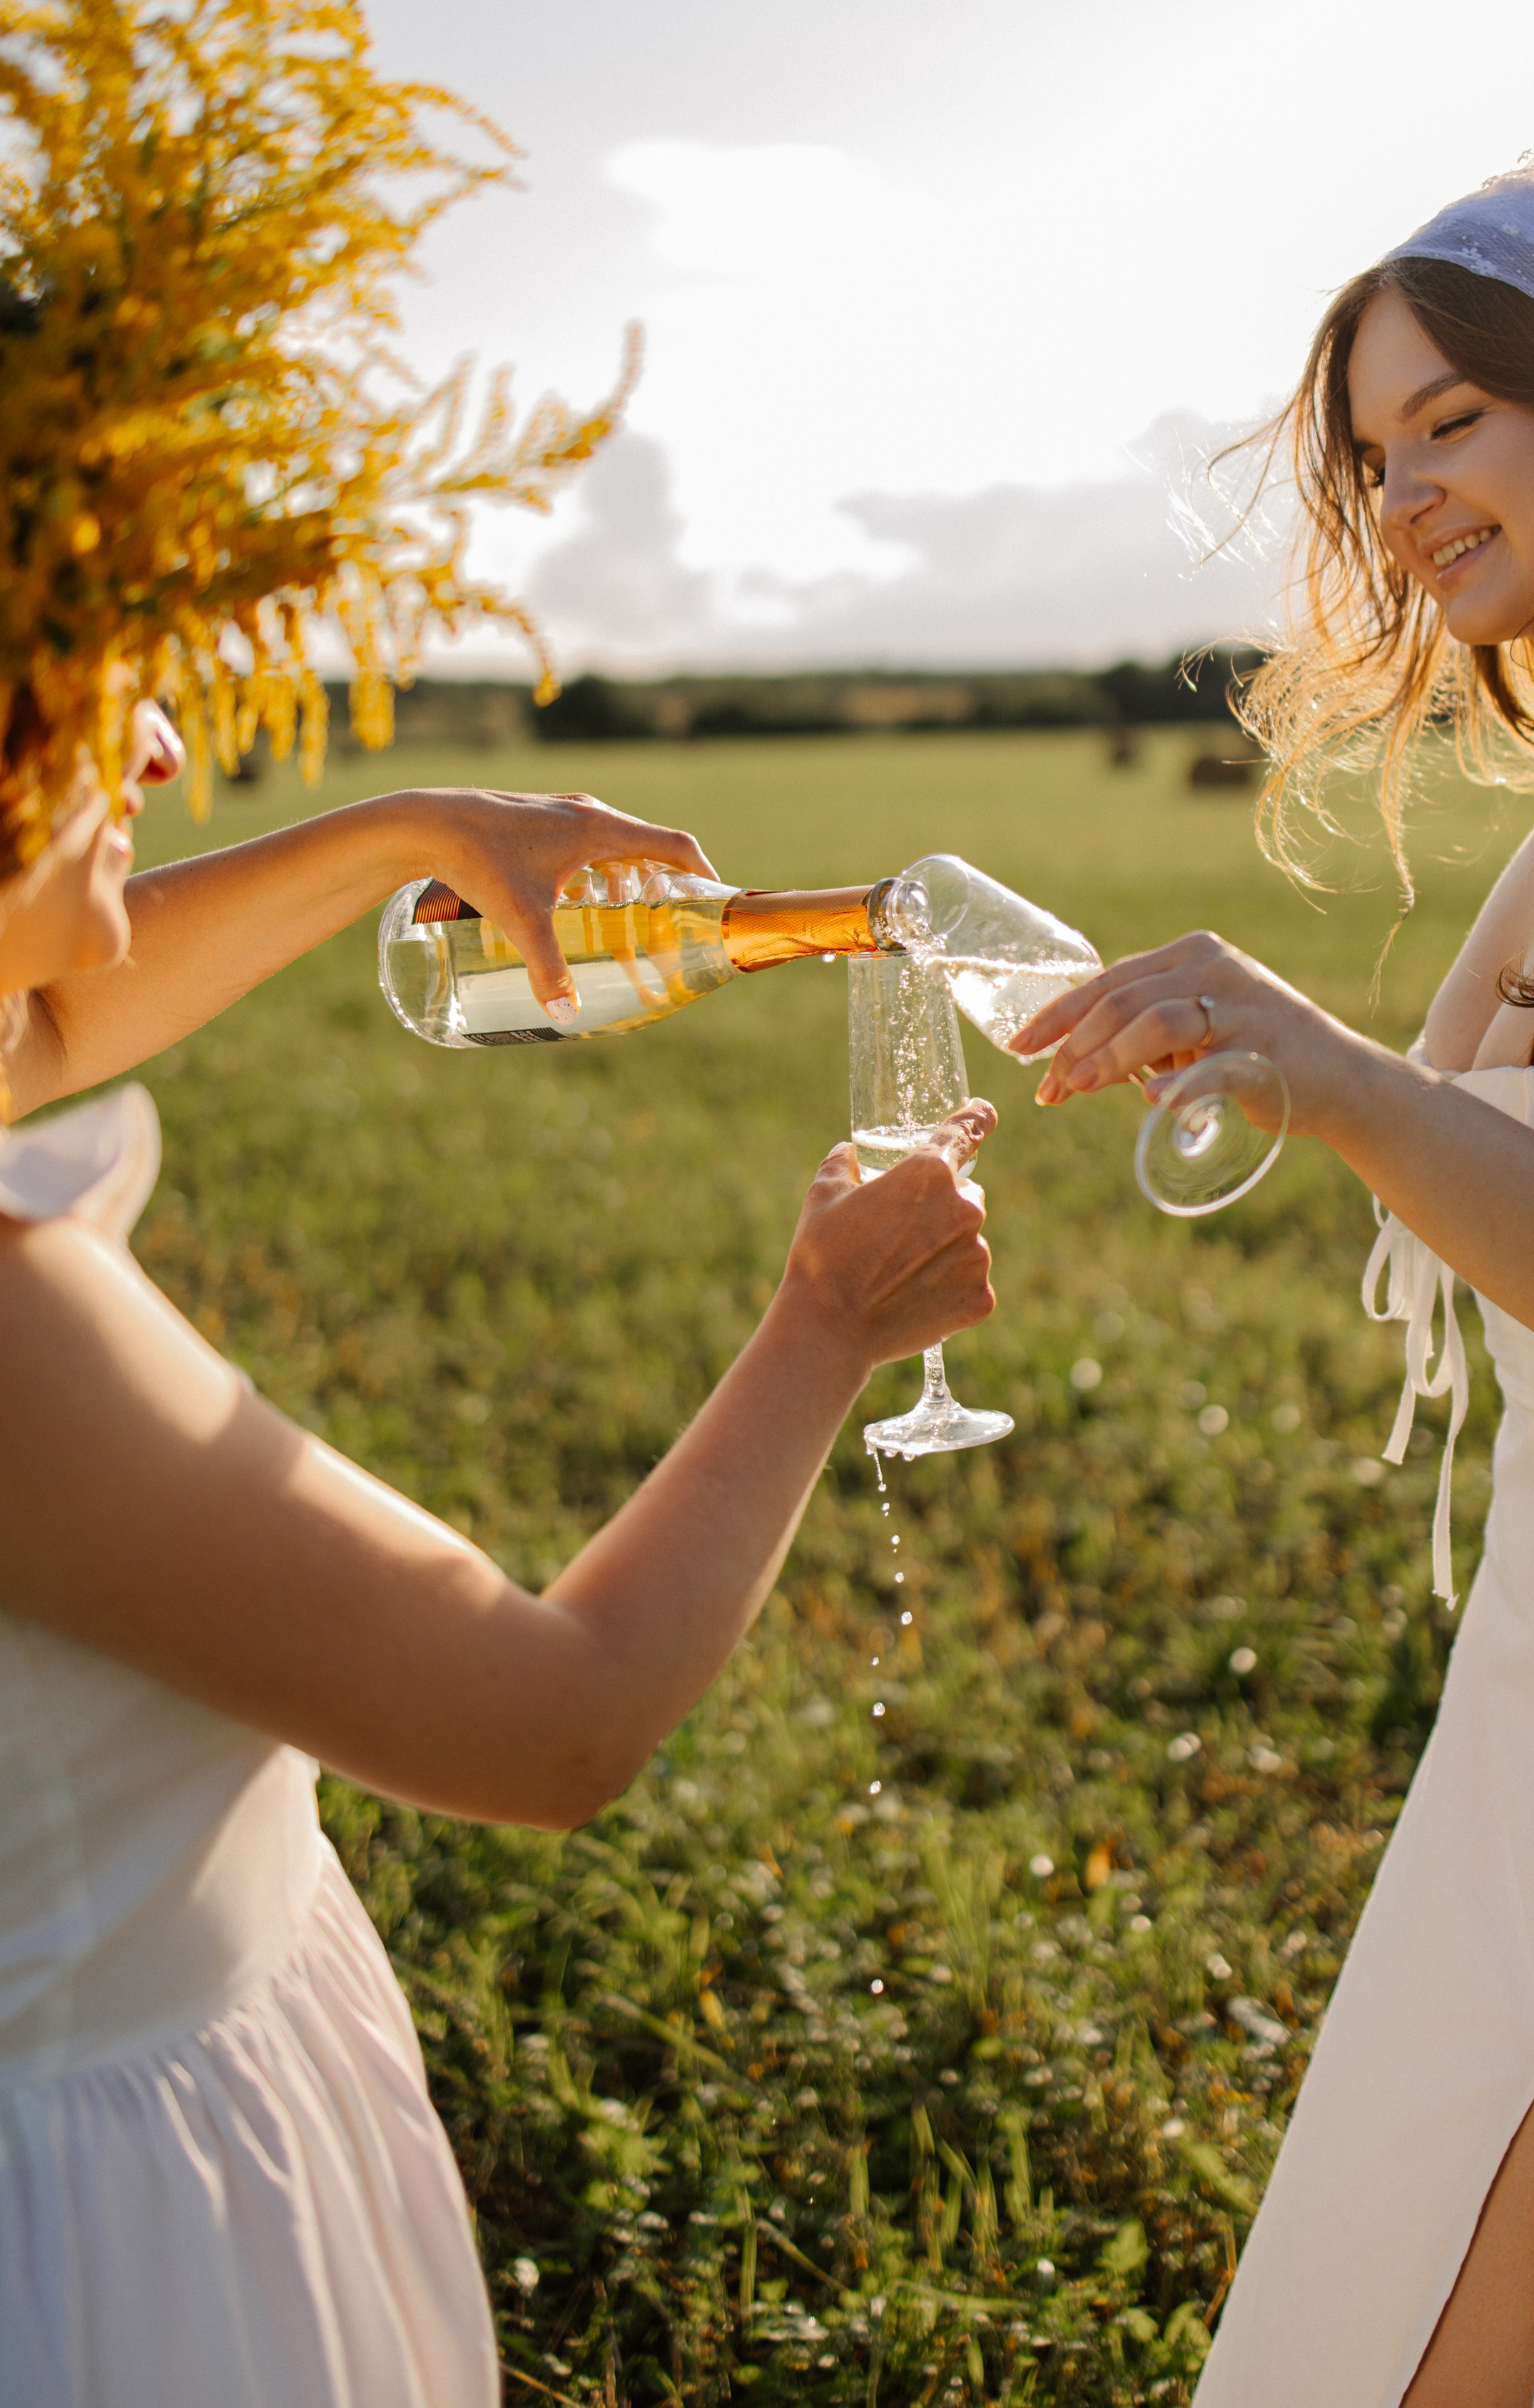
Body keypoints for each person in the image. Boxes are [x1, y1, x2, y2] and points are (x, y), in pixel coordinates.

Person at [1017, 149, 1534, 2407]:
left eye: (1453, 420)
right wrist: (1193, 1039)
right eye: (1377, 456)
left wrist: (1353, 1086)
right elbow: (1441, 1144)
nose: (1402, 497)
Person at [0, 715, 997, 2405]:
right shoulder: (19, 1336)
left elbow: (44, 1022)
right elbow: (550, 1727)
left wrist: (417, 830)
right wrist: (827, 1326)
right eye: (99, 678)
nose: (168, 742)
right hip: (104, 2218)